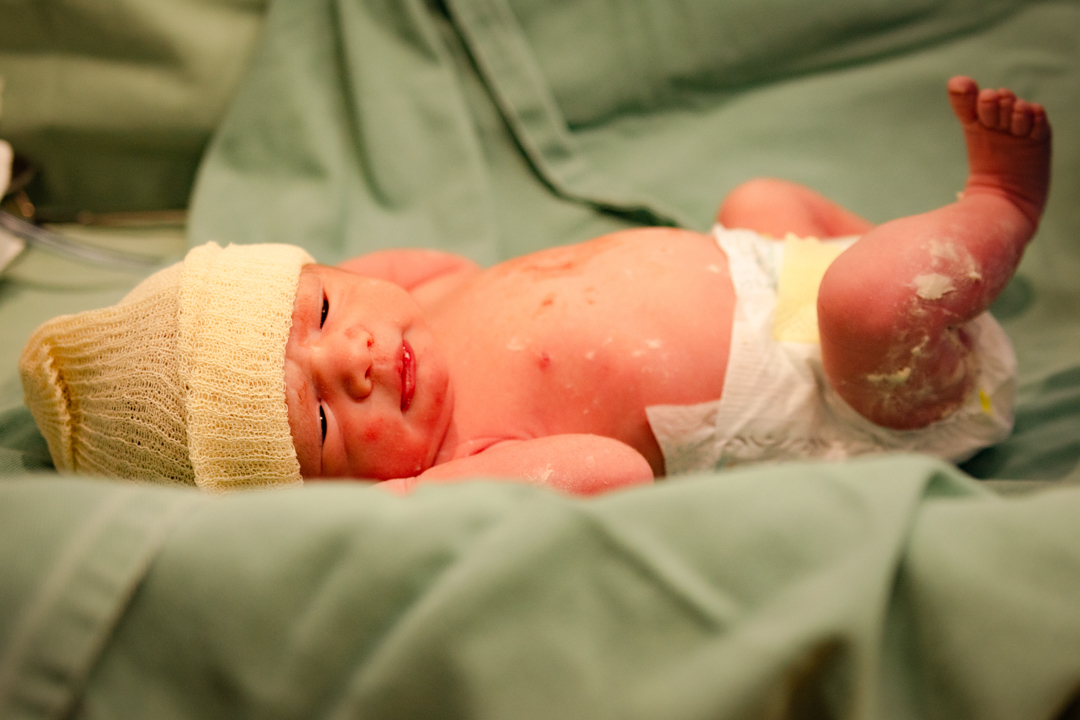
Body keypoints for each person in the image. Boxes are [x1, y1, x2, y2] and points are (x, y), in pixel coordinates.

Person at [20, 77, 1051, 495]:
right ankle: (992, 211)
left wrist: (301, 299)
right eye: (327, 420)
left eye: (325, 314)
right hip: (858, 388)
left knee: (761, 191)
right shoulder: (466, 455)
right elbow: (614, 474)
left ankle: (934, 284)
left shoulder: (421, 302)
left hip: (771, 275)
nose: (359, 359)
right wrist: (431, 499)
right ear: (369, 491)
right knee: (864, 301)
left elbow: (354, 290)